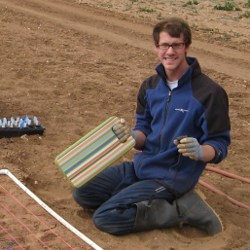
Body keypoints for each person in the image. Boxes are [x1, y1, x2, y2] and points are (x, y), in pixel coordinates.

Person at [73, 17, 230, 236]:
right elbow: (144, 131)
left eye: (177, 45)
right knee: (83, 194)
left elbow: (220, 143)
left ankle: (181, 209)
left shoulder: (209, 93)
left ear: (187, 47)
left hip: (170, 177)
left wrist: (200, 151)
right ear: (156, 47)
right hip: (142, 167)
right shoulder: (150, 86)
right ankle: (136, 198)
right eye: (164, 45)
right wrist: (130, 136)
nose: (170, 51)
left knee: (106, 217)